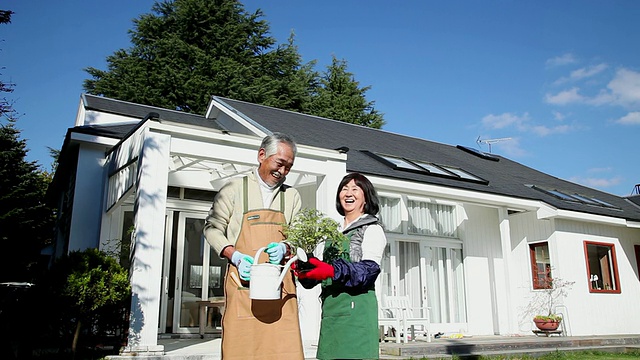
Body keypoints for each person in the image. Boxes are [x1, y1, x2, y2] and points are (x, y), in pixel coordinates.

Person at [204, 132, 304, 360]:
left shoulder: (292, 196)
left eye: (289, 167)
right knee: (241, 350)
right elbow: (212, 228)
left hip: (281, 290)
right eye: (280, 163)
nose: (283, 172)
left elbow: (298, 235)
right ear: (261, 155)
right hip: (243, 288)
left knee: (284, 351)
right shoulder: (234, 189)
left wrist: (286, 247)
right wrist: (235, 256)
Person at [295, 172, 387, 360]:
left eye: (355, 189)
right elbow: (322, 272)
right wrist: (306, 273)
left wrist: (330, 270)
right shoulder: (333, 233)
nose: (348, 193)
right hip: (331, 314)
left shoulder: (371, 229)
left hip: (356, 316)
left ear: (365, 197)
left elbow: (368, 271)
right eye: (344, 189)